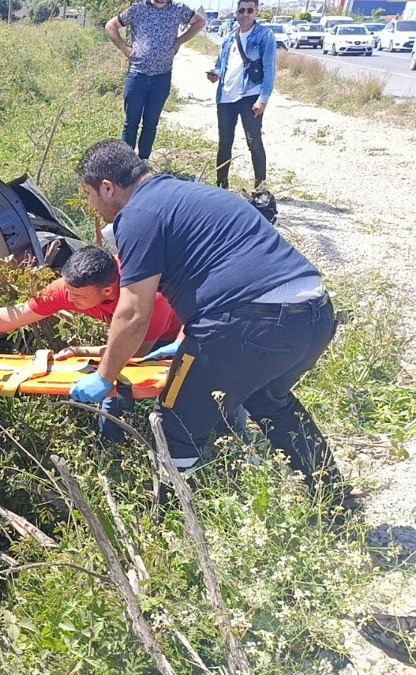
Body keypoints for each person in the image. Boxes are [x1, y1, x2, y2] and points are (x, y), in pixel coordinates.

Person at [70, 140, 342, 493]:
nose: (93, 205)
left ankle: (172, 522)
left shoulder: (137, 214)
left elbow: (134, 311)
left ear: (108, 187)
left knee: (174, 427)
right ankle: (334, 501)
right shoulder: (193, 194)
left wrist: (105, 375)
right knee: (269, 401)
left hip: (247, 323)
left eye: (90, 195)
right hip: (314, 314)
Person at [0, 245, 185, 442]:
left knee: (136, 394)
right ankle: (112, 449)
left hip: (174, 336)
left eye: (79, 297)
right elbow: (15, 314)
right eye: (69, 293)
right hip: (132, 336)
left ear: (107, 290)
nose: (71, 301)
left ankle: (131, 459)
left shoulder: (147, 298)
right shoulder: (71, 288)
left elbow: (130, 354)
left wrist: (83, 351)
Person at [106, 0, 206, 160]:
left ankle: (144, 161)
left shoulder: (179, 10)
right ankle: (127, 162)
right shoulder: (137, 10)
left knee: (151, 123)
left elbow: (200, 22)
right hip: (137, 75)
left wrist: (179, 41)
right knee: (131, 121)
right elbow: (111, 26)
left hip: (162, 76)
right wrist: (125, 48)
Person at [207, 0, 276, 190]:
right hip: (226, 98)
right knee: (224, 143)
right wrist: (215, 74)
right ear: (236, 12)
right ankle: (221, 185)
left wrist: (263, 99)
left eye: (249, 10)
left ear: (256, 12)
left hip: (250, 96)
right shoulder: (230, 37)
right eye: (241, 10)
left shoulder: (264, 36)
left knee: (253, 142)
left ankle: (259, 188)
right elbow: (222, 65)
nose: (245, 14)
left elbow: (270, 70)